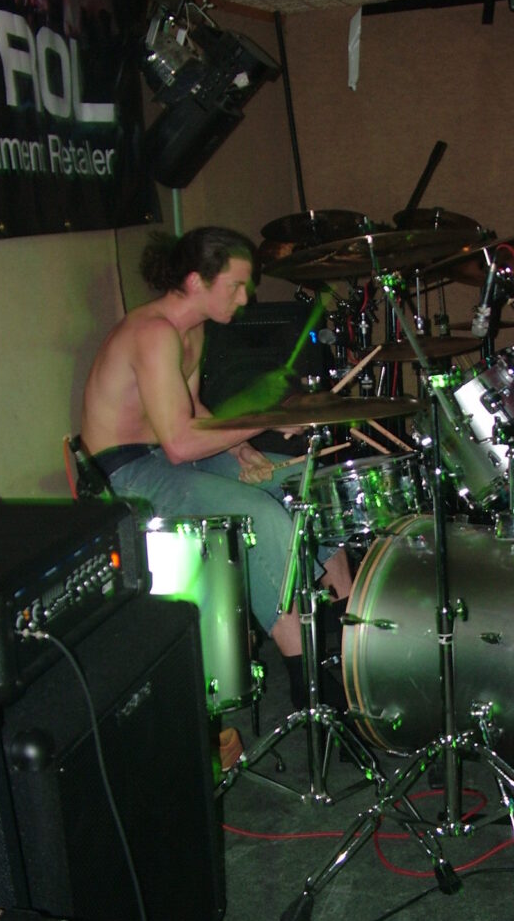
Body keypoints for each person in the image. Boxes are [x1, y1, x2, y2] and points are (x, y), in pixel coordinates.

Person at [79, 226, 352, 769]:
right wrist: (267, 419)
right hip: (129, 474)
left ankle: (350, 663)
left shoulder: (194, 329)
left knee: (311, 488)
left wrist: (245, 448)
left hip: (169, 456)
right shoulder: (154, 332)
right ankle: (321, 712)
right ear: (195, 281)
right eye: (236, 286)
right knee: (265, 519)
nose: (246, 298)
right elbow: (180, 443)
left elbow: (193, 412)